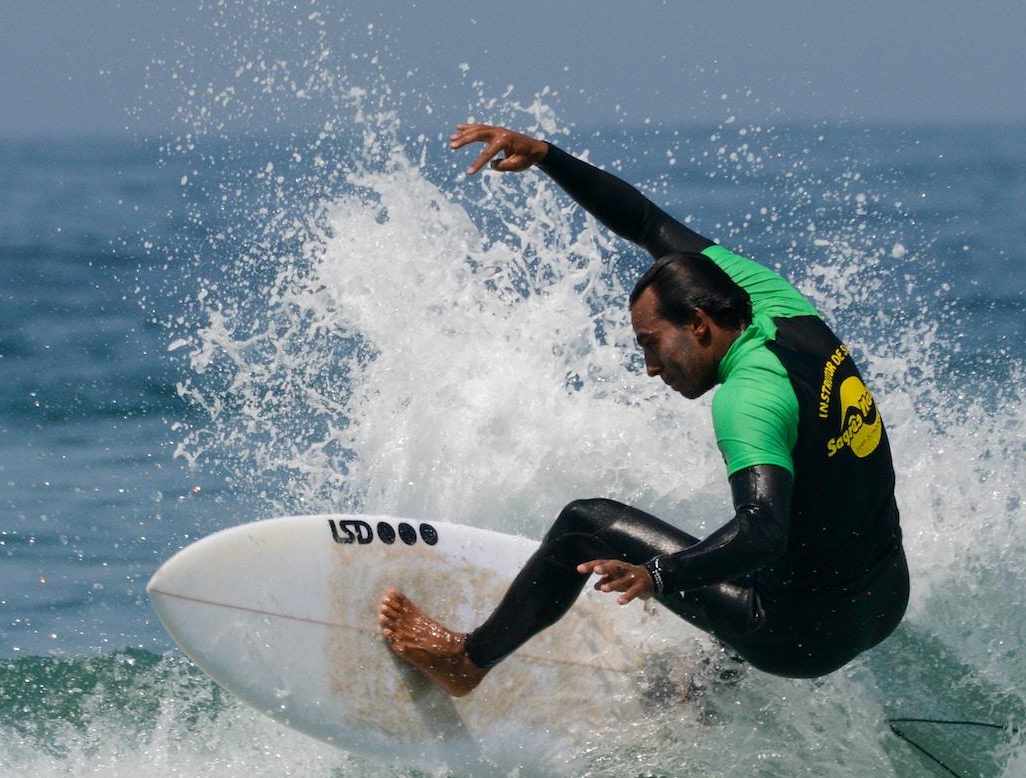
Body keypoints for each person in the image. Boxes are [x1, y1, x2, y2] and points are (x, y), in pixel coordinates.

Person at [378, 122, 908, 695]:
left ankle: (466, 663)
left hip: (798, 637)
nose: (651, 368)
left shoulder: (749, 395)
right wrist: (547, 157)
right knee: (770, 528)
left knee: (586, 524)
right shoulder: (776, 303)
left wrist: (657, 575)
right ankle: (702, 689)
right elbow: (647, 223)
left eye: (651, 344)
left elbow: (762, 534)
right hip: (884, 601)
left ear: (699, 324)